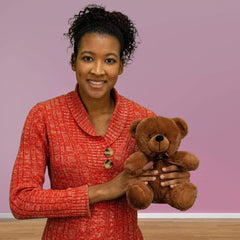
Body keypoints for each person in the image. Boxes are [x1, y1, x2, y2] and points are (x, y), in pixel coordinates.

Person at [10, 5, 190, 240]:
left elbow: (146, 189)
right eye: (87, 58)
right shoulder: (43, 115)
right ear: (73, 62)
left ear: (121, 66)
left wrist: (172, 182)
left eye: (109, 60)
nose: (97, 70)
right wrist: (104, 190)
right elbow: (21, 201)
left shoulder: (144, 119)